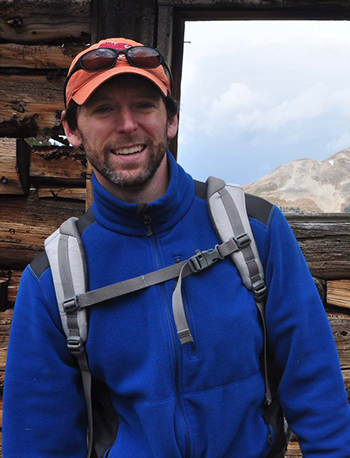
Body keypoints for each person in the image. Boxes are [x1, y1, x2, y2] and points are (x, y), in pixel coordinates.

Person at [2, 37, 350, 458]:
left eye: (144, 105)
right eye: (104, 108)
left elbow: (318, 391)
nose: (127, 124)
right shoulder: (54, 280)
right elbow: (38, 442)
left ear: (172, 120)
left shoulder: (256, 231)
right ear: (72, 129)